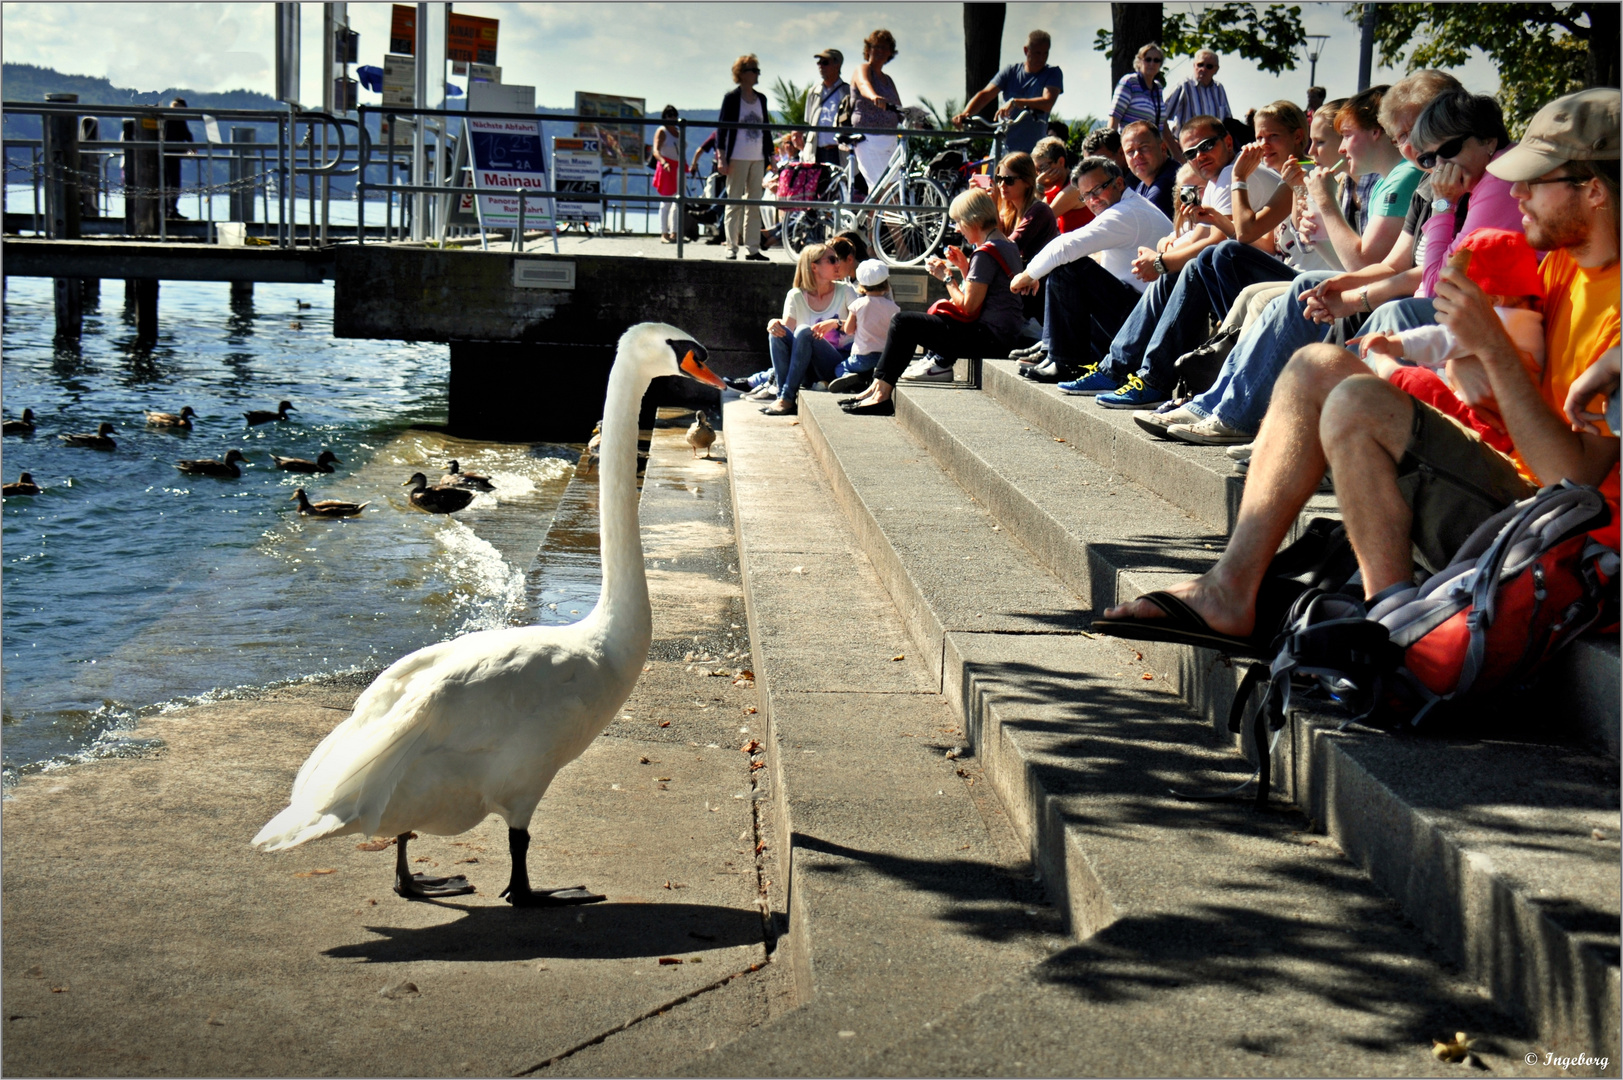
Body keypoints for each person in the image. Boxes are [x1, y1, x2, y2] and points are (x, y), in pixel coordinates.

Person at [1097, 87, 1621, 650]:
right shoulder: (1564, 265)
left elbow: (1576, 481)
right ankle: (1232, 586)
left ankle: (1391, 626)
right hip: (1510, 482)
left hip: (1556, 532)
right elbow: (1484, 346)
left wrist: (1490, 350)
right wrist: (1460, 360)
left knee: (1355, 400)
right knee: (1317, 365)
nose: (1513, 190)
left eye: (1535, 180)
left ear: (1592, 190)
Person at [1161, 78, 1440, 444]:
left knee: (1247, 270)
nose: (1318, 148)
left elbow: (1359, 263)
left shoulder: (1388, 179)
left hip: (1393, 297)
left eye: (1327, 139)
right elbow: (1364, 262)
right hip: (1350, 280)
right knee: (1246, 281)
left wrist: (1246, 182)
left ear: (1376, 133)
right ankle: (1216, 401)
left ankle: (1235, 412)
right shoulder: (1391, 180)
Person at [1051, 115, 1241, 402]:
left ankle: (1140, 376)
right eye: (1190, 153)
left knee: (1071, 269)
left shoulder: (1226, 175)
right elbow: (1198, 237)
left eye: (1206, 146)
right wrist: (1168, 246)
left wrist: (1161, 261)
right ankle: (1111, 369)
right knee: (1176, 270)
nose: (1199, 157)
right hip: (1154, 301)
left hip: (1187, 290)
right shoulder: (1209, 180)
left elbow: (1218, 240)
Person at [1360, 228, 1546, 456]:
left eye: (1460, 290)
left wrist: (1393, 345)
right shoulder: (1531, 317)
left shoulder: (1500, 319)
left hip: (1486, 427)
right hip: (1504, 424)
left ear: (1494, 299)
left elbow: (1442, 339)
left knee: (1422, 381)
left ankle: (1387, 367)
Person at [840, 189, 1024, 413]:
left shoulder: (985, 253)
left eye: (958, 222)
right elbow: (987, 295)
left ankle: (880, 392)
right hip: (1002, 334)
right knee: (906, 322)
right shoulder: (1007, 245)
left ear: (972, 220)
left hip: (990, 339)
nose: (958, 229)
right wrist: (965, 267)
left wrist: (946, 277)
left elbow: (968, 305)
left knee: (903, 322)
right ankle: (877, 388)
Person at [1008, 157, 1173, 378]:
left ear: (1119, 184)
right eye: (1086, 195)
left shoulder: (1126, 213)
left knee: (1068, 267)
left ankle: (1066, 362)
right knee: (1065, 266)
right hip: (1139, 311)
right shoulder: (1130, 206)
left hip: (1145, 322)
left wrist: (1026, 275)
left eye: (1097, 189)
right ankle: (1051, 350)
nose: (1093, 200)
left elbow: (1066, 245)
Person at [759, 243, 857, 415]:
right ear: (814, 266)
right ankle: (784, 395)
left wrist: (836, 324)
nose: (838, 264)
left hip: (836, 365)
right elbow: (786, 333)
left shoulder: (846, 290)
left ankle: (787, 398)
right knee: (776, 333)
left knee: (804, 331)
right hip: (805, 367)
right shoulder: (795, 295)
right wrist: (774, 324)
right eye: (832, 260)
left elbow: (863, 324)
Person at [953, 31, 1063, 154]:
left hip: (1032, 150)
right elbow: (985, 95)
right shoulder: (1010, 71)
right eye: (1038, 53)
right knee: (993, 172)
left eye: (1045, 53)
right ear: (1026, 51)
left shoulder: (1053, 73)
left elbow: (1048, 102)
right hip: (1003, 145)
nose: (1042, 58)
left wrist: (1015, 102)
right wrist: (965, 114)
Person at [717, 54, 774, 261]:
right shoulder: (732, 98)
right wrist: (722, 156)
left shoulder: (761, 99)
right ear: (741, 74)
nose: (757, 74)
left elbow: (766, 128)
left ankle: (752, 248)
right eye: (753, 69)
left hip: (757, 156)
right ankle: (731, 247)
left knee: (754, 203)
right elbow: (722, 128)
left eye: (757, 69)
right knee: (734, 202)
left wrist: (771, 155)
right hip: (737, 156)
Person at [830, 259, 903, 393]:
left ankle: (849, 377)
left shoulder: (858, 304)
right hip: (884, 358)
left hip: (862, 357)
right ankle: (866, 379)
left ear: (861, 284)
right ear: (886, 284)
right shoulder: (894, 308)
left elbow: (849, 330)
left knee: (840, 367)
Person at [851, 29, 903, 196]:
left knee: (892, 191)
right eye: (876, 47)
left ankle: (879, 222)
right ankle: (879, 223)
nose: (880, 51)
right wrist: (874, 96)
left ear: (890, 52)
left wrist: (916, 119)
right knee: (881, 189)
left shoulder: (888, 80)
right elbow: (864, 85)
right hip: (869, 139)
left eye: (885, 48)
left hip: (889, 141)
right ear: (868, 49)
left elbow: (898, 107)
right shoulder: (863, 69)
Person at [1164, 49, 1232, 149]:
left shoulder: (1219, 88)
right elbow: (1162, 117)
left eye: (1209, 66)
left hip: (1214, 148)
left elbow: (1227, 120)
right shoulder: (1183, 86)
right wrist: (1172, 144)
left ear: (1216, 70)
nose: (1203, 69)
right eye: (1200, 64)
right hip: (1189, 148)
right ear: (1194, 65)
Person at [1122, 119, 1179, 218]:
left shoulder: (1165, 185)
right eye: (1130, 151)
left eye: (1144, 147)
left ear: (1163, 149)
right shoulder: (1143, 184)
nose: (1137, 155)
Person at [1033, 137, 1091, 231]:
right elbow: (1034, 212)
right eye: (1036, 170)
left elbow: (1042, 219)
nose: (1040, 174)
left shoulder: (1075, 186)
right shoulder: (1056, 188)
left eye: (1042, 168)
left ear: (1061, 162)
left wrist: (1038, 187)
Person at [803, 49, 849, 166]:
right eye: (819, 62)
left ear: (837, 65)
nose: (820, 66)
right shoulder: (813, 92)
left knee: (840, 184)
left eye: (825, 63)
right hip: (816, 152)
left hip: (838, 153)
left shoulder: (847, 91)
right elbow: (809, 120)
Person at [1109, 44, 1165, 134]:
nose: (1152, 63)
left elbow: (1163, 125)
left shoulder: (1158, 88)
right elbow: (1115, 116)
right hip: (1129, 144)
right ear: (1139, 62)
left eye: (1156, 60)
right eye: (1148, 59)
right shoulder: (1129, 82)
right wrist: (1110, 145)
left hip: (1150, 145)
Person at [652, 106, 683, 243]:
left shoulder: (679, 132)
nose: (672, 118)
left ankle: (674, 232)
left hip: (678, 167)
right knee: (666, 202)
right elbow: (656, 151)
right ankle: (664, 233)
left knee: (678, 202)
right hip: (666, 167)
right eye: (669, 115)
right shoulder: (662, 131)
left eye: (674, 115)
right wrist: (664, 162)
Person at [163, 97, 193, 219]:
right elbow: (187, 134)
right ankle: (171, 210)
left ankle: (167, 210)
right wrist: (191, 146)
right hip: (172, 153)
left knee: (166, 183)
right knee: (173, 183)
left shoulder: (166, 116)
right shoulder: (177, 116)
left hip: (165, 152)